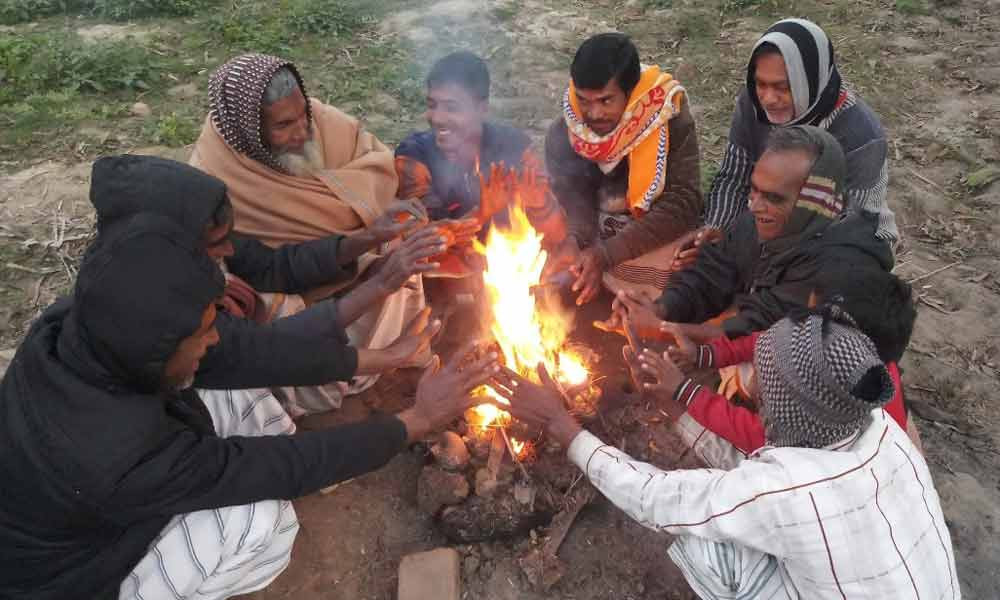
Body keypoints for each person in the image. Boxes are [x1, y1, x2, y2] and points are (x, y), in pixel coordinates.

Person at [0, 205, 500, 600]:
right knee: (260, 524)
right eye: (204, 332)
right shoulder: (119, 456)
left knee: (238, 388)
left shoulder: (85, 327)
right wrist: (417, 420)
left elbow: (253, 353)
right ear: (159, 349)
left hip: (97, 495)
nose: (216, 338)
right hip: (74, 577)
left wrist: (382, 343)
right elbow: (273, 466)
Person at [492, 309, 959, 599]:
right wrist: (672, 408)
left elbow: (656, 499)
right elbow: (759, 481)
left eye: (764, 379)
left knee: (707, 547)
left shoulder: (789, 491)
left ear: (787, 404)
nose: (754, 385)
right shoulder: (878, 427)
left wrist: (563, 426)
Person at [92, 154, 449, 416]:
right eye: (216, 244)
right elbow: (262, 351)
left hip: (262, 341)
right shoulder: (167, 311)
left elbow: (276, 266)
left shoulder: (188, 248)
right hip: (251, 371)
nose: (228, 250)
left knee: (392, 252)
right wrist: (385, 343)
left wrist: (370, 236)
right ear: (167, 242)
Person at [189, 53, 433, 411]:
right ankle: (362, 363)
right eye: (284, 125)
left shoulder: (321, 122)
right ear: (248, 131)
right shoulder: (213, 181)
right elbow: (270, 269)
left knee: (399, 243)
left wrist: (371, 232)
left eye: (304, 114)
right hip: (286, 302)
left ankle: (397, 348)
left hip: (331, 260)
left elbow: (375, 162)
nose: (303, 132)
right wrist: (373, 264)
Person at [606, 125, 894, 343]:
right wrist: (663, 309)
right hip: (759, 317)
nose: (755, 206)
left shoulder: (840, 267)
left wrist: (664, 330)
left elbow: (760, 332)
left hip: (807, 358)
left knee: (750, 377)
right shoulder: (762, 220)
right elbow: (712, 272)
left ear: (813, 202)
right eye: (754, 190)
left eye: (774, 198)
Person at [673, 18, 897, 271]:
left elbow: (852, 224)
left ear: (811, 81)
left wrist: (752, 252)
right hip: (763, 216)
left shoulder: (861, 136)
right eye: (761, 84)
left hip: (834, 239)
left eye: (783, 87)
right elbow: (734, 177)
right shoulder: (753, 105)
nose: (768, 99)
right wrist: (718, 229)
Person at [660, 267, 921, 457]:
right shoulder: (845, 359)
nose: (799, 327)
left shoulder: (821, 432)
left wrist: (685, 392)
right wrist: (705, 355)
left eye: (809, 319)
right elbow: (773, 340)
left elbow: (759, 436)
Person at [543, 33, 702, 304]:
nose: (593, 114)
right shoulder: (565, 131)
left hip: (652, 231)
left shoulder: (667, 118)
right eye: (584, 100)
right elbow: (572, 198)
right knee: (545, 250)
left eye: (606, 101)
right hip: (596, 230)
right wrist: (576, 240)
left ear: (631, 93)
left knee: (689, 265)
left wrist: (606, 255)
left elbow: (683, 203)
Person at [396, 51, 567, 244]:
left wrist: (540, 206)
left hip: (506, 257)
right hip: (448, 262)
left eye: (451, 108)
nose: (437, 118)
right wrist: (481, 214)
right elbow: (416, 243)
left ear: (482, 109)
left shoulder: (515, 148)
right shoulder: (414, 157)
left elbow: (558, 237)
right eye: (432, 105)